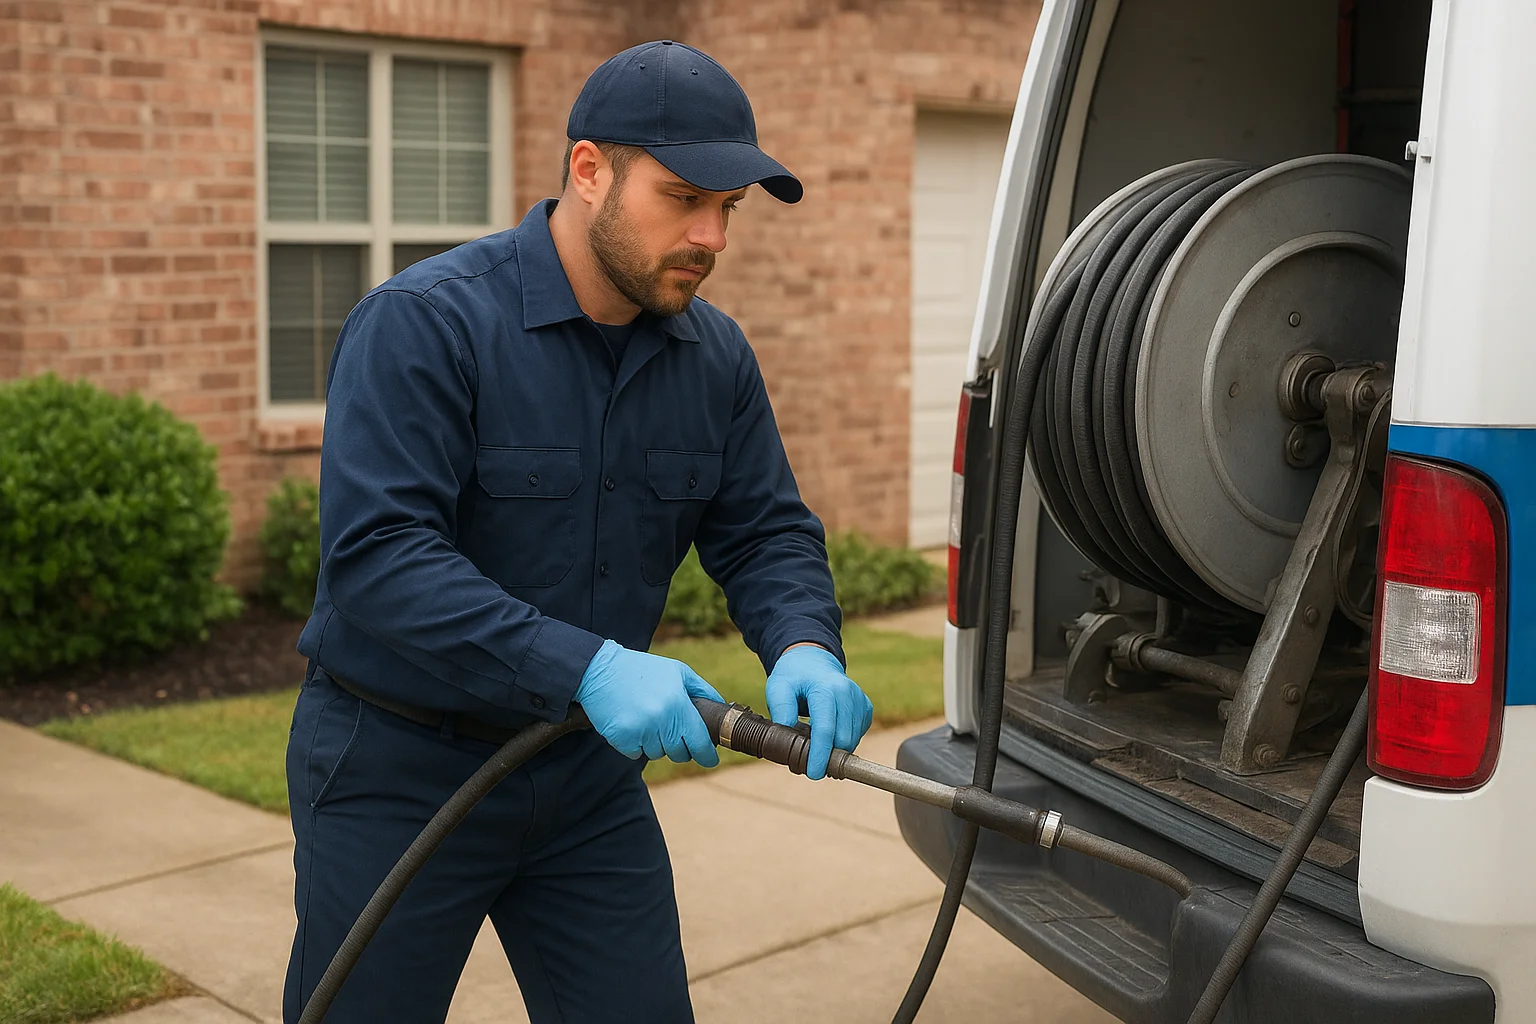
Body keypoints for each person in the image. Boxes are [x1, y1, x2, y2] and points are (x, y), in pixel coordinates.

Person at [282, 39, 875, 1023]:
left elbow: (765, 530)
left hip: (584, 782)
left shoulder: (715, 357)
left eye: (727, 208)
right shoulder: (425, 324)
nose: (712, 237)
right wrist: (588, 666)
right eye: (683, 198)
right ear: (589, 169)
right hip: (396, 771)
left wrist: (805, 640)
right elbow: (380, 560)